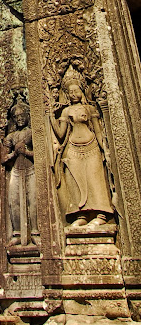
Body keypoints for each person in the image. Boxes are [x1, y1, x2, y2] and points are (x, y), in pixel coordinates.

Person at [51, 78, 113, 227]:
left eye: (76, 91)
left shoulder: (89, 109)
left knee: (94, 179)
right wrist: (51, 115)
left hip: (92, 147)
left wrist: (104, 149)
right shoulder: (66, 111)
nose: (73, 94)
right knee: (74, 180)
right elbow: (61, 134)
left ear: (82, 91)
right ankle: (81, 215)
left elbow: (98, 130)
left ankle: (101, 214)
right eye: (70, 92)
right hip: (73, 149)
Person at [2, 101, 39, 246]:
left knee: (33, 200)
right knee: (14, 201)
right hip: (16, 171)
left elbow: (41, 153)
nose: (20, 119)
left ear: (27, 116)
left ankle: (35, 232)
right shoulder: (11, 136)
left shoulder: (32, 133)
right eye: (16, 117)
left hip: (31, 169)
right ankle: (17, 233)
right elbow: (3, 158)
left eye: (22, 115)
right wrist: (14, 154)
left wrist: (27, 152)